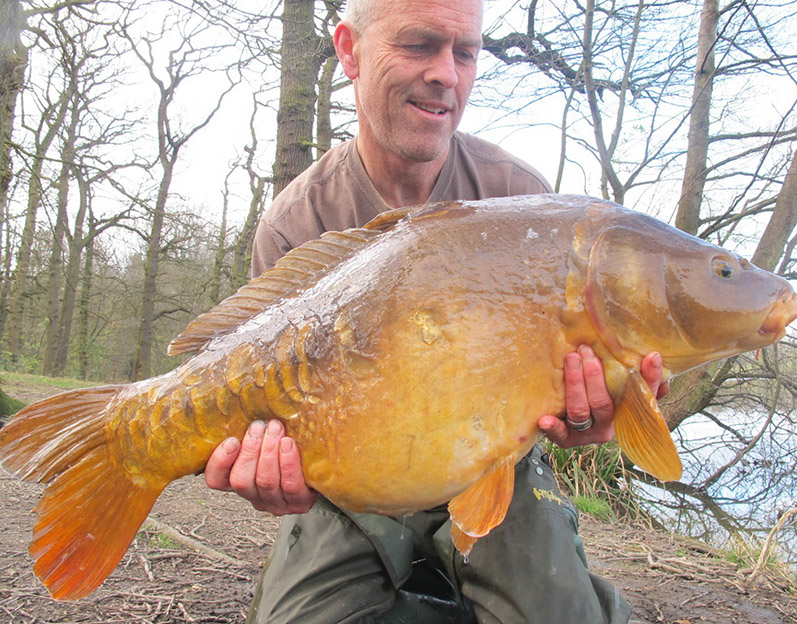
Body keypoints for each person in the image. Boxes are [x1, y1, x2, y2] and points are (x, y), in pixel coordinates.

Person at [205, 0, 667, 621]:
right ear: (349, 49)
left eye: (465, 52)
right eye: (420, 45)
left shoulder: (525, 203)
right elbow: (263, 419)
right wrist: (268, 476)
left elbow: (585, 392)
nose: (446, 74)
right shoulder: (298, 223)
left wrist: (596, 418)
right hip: (350, 488)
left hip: (497, 463)